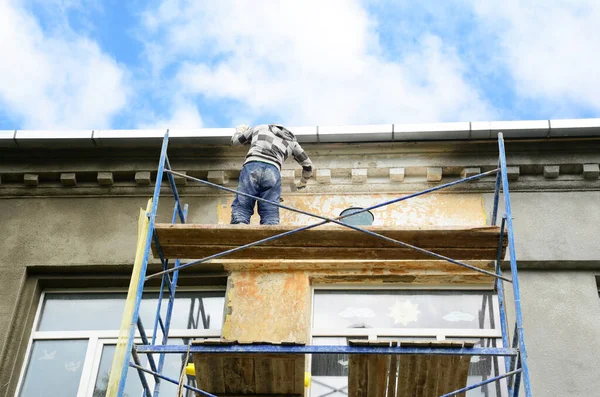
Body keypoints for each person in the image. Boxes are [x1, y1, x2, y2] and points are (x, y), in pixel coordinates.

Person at [230, 124, 313, 225]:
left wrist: (240, 130)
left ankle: (240, 225)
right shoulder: (292, 142)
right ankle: (271, 231)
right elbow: (308, 165)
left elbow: (235, 142)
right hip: (273, 171)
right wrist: (303, 182)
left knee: (243, 202)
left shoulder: (260, 128)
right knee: (270, 209)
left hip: (253, 165)